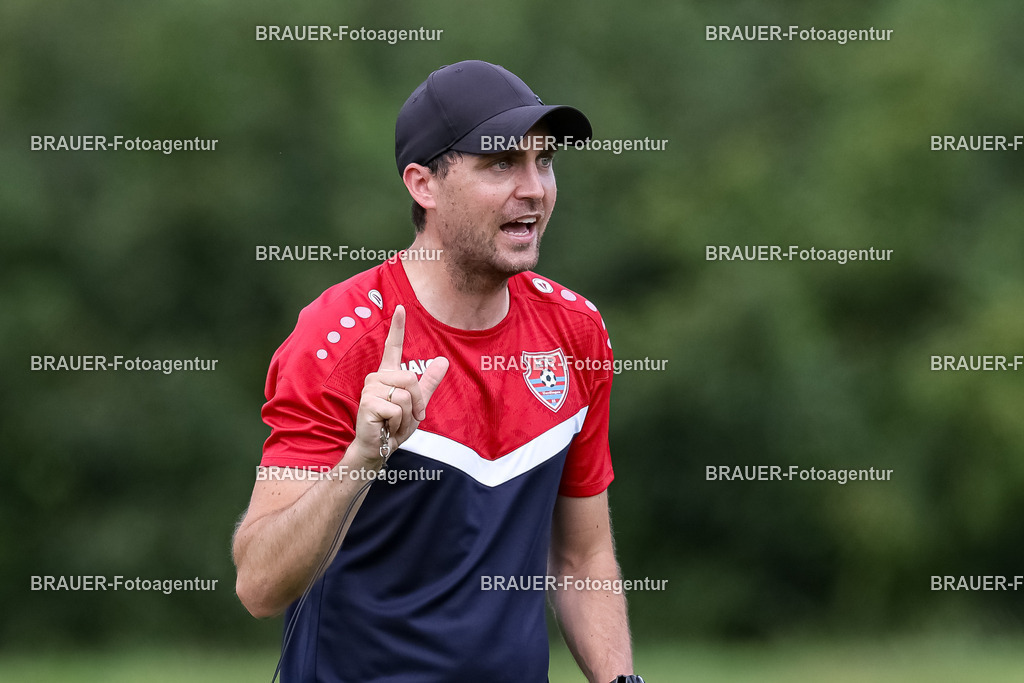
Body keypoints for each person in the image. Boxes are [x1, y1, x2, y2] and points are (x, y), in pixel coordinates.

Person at [232, 59, 645, 683]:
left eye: (545, 161)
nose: (534, 188)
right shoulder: (337, 337)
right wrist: (361, 462)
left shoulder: (574, 332)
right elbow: (260, 584)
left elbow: (581, 553)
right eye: (501, 163)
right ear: (423, 184)